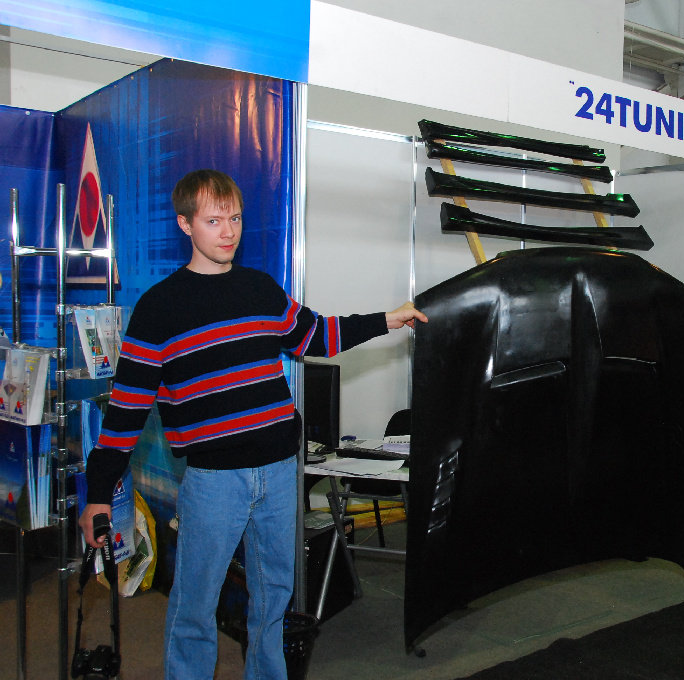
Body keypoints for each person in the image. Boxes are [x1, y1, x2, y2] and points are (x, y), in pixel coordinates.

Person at [78, 169, 428, 679]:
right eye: (213, 220)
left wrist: (387, 319)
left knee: (274, 600)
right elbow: (125, 412)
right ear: (185, 224)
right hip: (214, 483)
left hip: (280, 472)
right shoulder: (159, 308)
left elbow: (314, 336)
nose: (228, 232)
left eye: (236, 219)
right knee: (195, 605)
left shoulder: (260, 289)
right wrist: (97, 494)